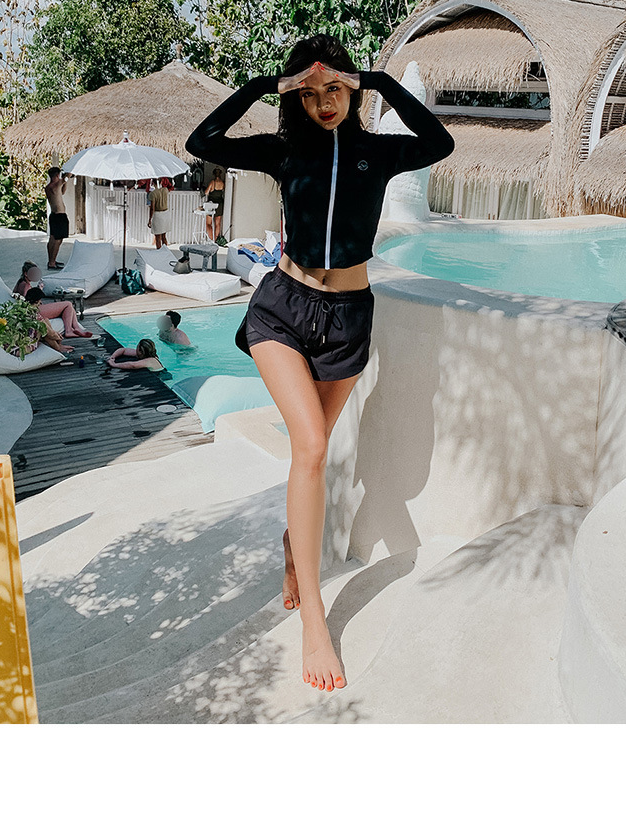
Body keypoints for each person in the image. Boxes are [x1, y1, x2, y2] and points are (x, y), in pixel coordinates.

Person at [186, 35, 455, 693]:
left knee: (314, 451)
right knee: (310, 447)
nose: (325, 102)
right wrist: (263, 87)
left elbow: (439, 143)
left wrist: (377, 82)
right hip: (283, 307)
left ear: (350, 92)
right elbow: (203, 141)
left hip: (348, 319)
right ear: (296, 98)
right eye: (310, 93)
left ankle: (293, 548)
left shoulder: (378, 153)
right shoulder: (285, 151)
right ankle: (315, 622)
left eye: (334, 89)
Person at [15, 261, 93, 338]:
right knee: (68, 304)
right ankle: (69, 330)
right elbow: (27, 301)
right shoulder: (25, 286)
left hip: (35, 308)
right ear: (26, 274)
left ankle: (76, 328)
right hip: (35, 310)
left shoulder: (21, 282)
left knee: (70, 307)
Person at [24, 288, 75, 353]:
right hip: (26, 346)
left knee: (46, 320)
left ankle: (58, 346)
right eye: (40, 300)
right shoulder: (34, 316)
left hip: (24, 338)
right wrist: (59, 338)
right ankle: (58, 348)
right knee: (44, 330)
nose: (41, 303)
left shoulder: (24, 309)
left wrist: (55, 334)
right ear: (36, 301)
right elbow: (51, 334)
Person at [45, 167, 69, 269]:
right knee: (57, 240)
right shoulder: (56, 185)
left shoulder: (49, 187)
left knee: (52, 238)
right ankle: (52, 263)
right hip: (59, 216)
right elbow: (67, 176)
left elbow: (62, 192)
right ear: (57, 175)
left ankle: (51, 261)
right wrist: (69, 172)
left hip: (54, 215)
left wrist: (65, 181)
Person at [147, 178, 171, 249]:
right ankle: (165, 251)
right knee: (164, 236)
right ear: (161, 182)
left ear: (152, 183)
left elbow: (152, 208)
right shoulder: (165, 190)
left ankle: (159, 252)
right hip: (166, 214)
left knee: (158, 237)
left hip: (158, 215)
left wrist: (150, 219)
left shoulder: (153, 193)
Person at [204, 167, 226, 245]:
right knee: (217, 224)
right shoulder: (222, 183)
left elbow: (206, 192)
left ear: (213, 174)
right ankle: (216, 240)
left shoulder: (212, 182)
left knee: (208, 223)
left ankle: (211, 239)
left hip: (211, 204)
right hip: (219, 204)